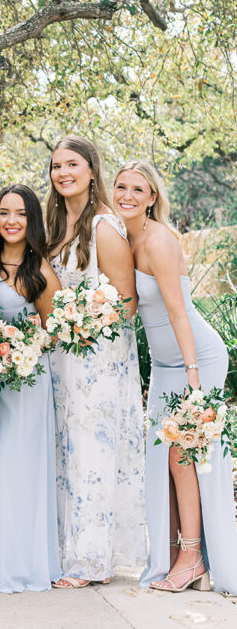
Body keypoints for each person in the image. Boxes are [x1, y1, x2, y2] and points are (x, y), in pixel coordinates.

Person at [113, 161, 237, 594]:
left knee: (183, 457)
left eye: (137, 189)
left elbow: (180, 314)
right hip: (164, 367)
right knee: (161, 460)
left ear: (152, 197)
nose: (127, 195)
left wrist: (195, 384)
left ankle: (193, 557)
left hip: (196, 358)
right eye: (121, 186)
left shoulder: (159, 240)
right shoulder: (121, 238)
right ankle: (170, 555)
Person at [44, 136, 146, 588]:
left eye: (72, 164)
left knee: (91, 451)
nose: (63, 172)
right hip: (59, 356)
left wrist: (82, 324)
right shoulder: (52, 223)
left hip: (98, 359)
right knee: (65, 449)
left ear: (91, 169)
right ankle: (66, 549)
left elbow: (126, 300)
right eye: (55, 166)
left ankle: (90, 560)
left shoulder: (104, 225)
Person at [0, 184, 62, 593]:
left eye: (21, 214)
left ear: (32, 221)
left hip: (25, 384)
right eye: (4, 213)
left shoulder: (39, 271)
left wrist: (20, 346)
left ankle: (22, 564)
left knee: (18, 470)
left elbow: (57, 332)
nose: (11, 221)